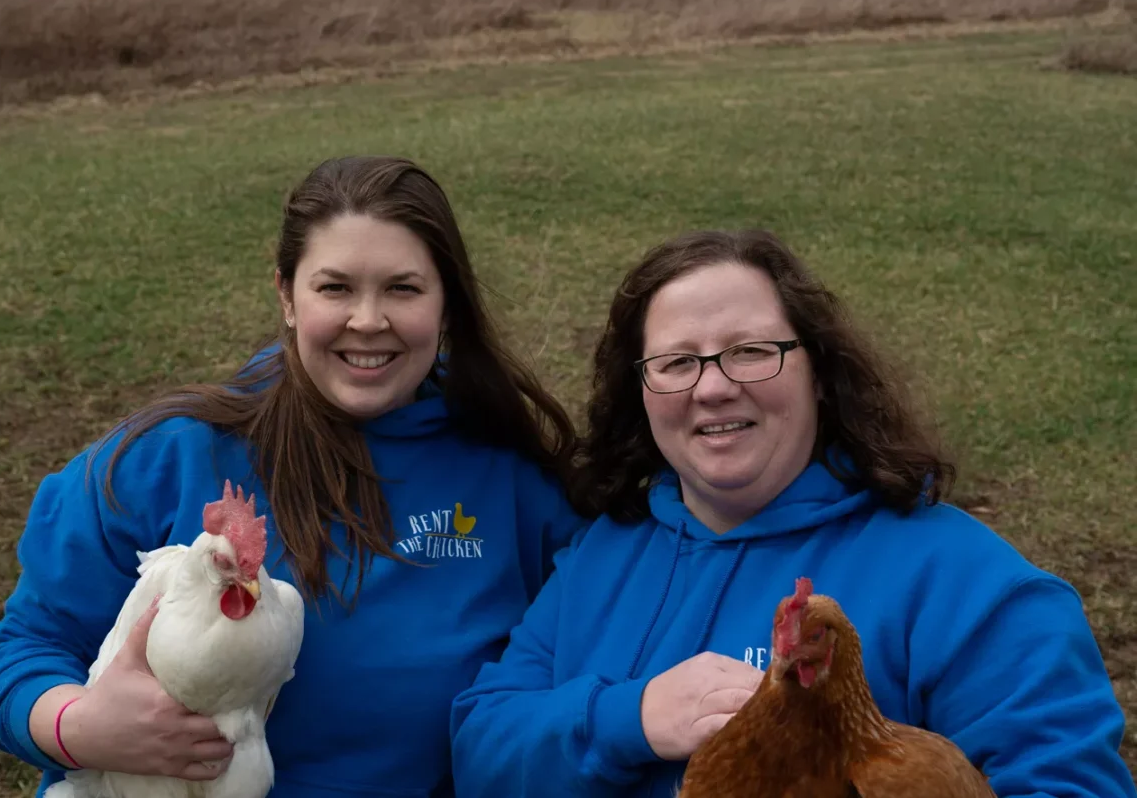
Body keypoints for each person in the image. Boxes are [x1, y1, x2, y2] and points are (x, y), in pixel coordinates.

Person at [0, 155, 588, 797]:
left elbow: (598, 642)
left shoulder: (511, 477)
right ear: (287, 296)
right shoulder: (167, 458)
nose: (368, 320)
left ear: (448, 307)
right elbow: (20, 652)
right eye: (335, 288)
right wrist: (78, 726)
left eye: (403, 289)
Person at [449, 228, 1135, 797]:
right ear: (641, 392)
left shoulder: (970, 586)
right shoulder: (602, 555)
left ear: (821, 374)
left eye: (751, 352)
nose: (713, 387)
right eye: (677, 362)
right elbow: (481, 752)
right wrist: (629, 719)